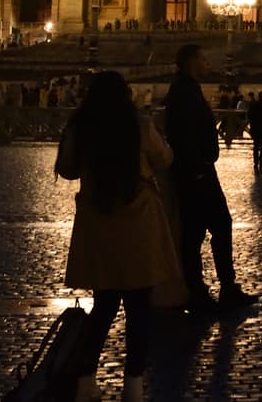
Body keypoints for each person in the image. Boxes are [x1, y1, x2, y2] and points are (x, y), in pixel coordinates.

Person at [57, 71, 180, 402]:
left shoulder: (82, 127)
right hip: (139, 221)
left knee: (104, 306)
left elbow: (67, 169)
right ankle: (134, 386)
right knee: (140, 308)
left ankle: (85, 381)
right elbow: (165, 159)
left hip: (100, 222)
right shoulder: (138, 125)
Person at [162, 45, 257, 310]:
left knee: (200, 232)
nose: (207, 64)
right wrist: (198, 168)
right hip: (197, 173)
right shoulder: (184, 91)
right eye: (204, 59)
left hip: (196, 170)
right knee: (207, 230)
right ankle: (207, 291)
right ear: (192, 62)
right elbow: (184, 134)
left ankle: (206, 290)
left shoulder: (185, 88)